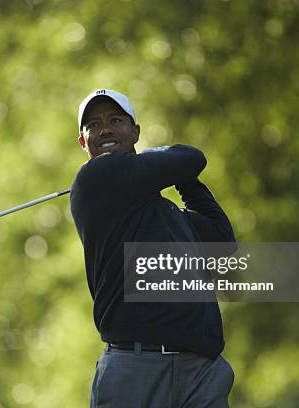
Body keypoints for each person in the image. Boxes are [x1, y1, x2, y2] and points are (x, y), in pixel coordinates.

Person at [70, 89, 237, 407]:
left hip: (200, 372)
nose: (104, 129)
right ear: (83, 142)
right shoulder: (95, 178)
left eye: (115, 120)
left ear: (135, 132)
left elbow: (222, 241)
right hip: (136, 369)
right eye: (93, 124)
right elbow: (192, 157)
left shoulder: (168, 213)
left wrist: (185, 181)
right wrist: (163, 159)